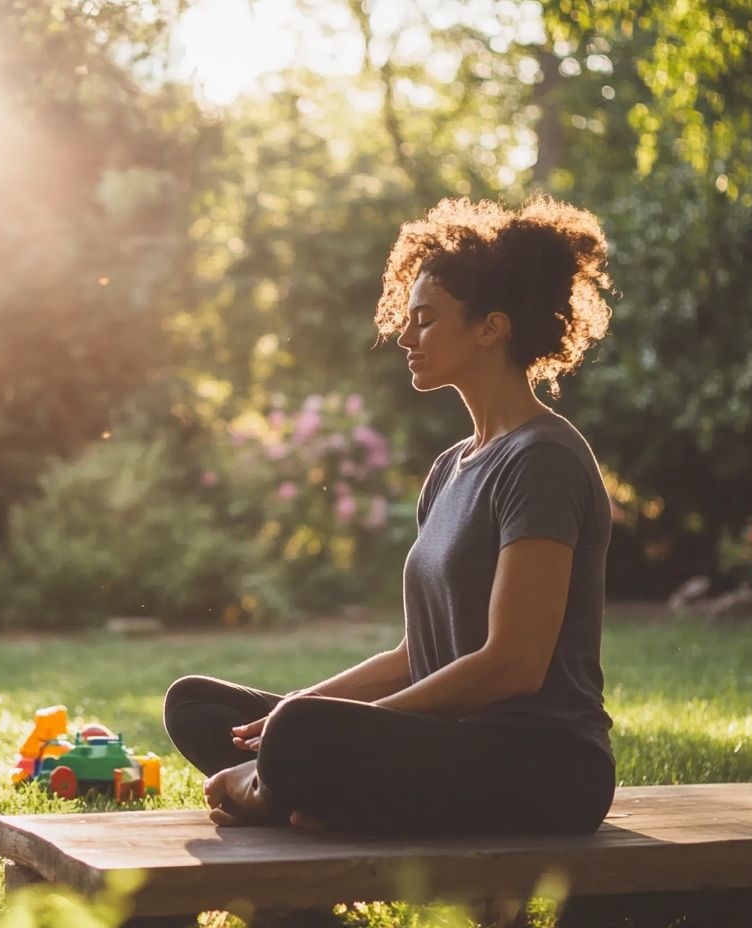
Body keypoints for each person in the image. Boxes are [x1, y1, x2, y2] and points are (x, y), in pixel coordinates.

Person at [164, 195, 616, 836]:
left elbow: (513, 664)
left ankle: (292, 786)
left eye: (426, 320)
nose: (404, 337)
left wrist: (333, 727)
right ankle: (310, 791)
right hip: (445, 747)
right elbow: (415, 655)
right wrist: (304, 704)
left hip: (544, 765)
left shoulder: (542, 461)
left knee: (301, 733)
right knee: (198, 705)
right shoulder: (451, 467)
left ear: (492, 327)